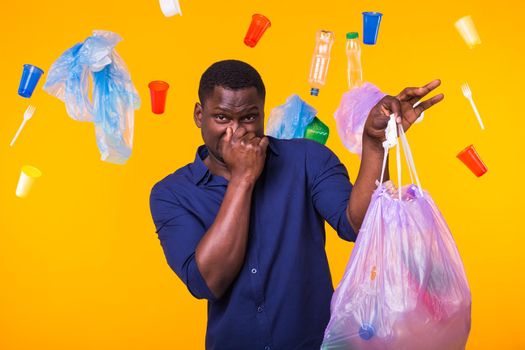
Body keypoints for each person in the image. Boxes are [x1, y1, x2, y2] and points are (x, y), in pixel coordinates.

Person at [149, 59, 443, 349]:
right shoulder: (172, 193)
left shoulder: (308, 159)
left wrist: (375, 142)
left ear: (263, 113)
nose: (236, 132)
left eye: (249, 117)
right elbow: (207, 282)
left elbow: (359, 227)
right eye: (222, 118)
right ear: (200, 115)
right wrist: (242, 179)